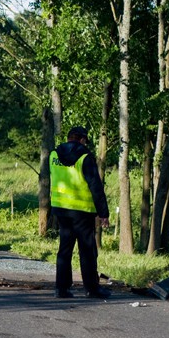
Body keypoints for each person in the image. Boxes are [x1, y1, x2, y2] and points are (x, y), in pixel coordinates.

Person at [50, 126, 111, 299]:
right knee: (87, 251)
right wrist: (103, 213)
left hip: (61, 210)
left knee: (64, 250)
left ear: (69, 138)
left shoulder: (54, 155)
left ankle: (61, 289)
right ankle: (92, 288)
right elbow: (95, 187)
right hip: (82, 212)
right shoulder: (85, 157)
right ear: (82, 139)